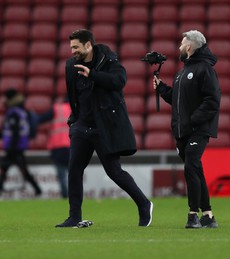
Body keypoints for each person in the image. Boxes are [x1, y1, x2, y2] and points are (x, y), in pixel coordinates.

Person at [55, 29, 153, 227]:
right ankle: (74, 216)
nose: (72, 51)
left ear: (88, 45)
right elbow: (74, 96)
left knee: (114, 172)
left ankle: (144, 204)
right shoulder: (70, 66)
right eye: (71, 47)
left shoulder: (108, 60)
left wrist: (92, 74)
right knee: (74, 170)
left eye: (76, 47)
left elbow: (119, 81)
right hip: (81, 126)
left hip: (103, 127)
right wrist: (74, 121)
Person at [153, 30, 220, 228]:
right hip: (182, 131)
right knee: (196, 170)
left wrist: (193, 120)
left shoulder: (204, 69)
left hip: (197, 129)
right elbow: (177, 99)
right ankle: (208, 215)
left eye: (182, 43)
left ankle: (193, 214)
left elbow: (212, 100)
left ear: (189, 47)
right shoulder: (183, 72)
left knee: (191, 166)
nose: (180, 47)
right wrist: (161, 88)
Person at [0, 89, 42, 199]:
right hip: (18, 146)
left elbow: (15, 131)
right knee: (21, 170)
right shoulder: (21, 111)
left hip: (14, 147)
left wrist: (12, 146)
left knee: (5, 169)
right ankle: (38, 191)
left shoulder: (13, 113)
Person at [38, 97, 71, 199]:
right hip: (72, 145)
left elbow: (41, 119)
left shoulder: (57, 108)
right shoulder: (76, 108)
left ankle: (65, 195)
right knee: (74, 173)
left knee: (61, 173)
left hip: (58, 146)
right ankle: (75, 194)